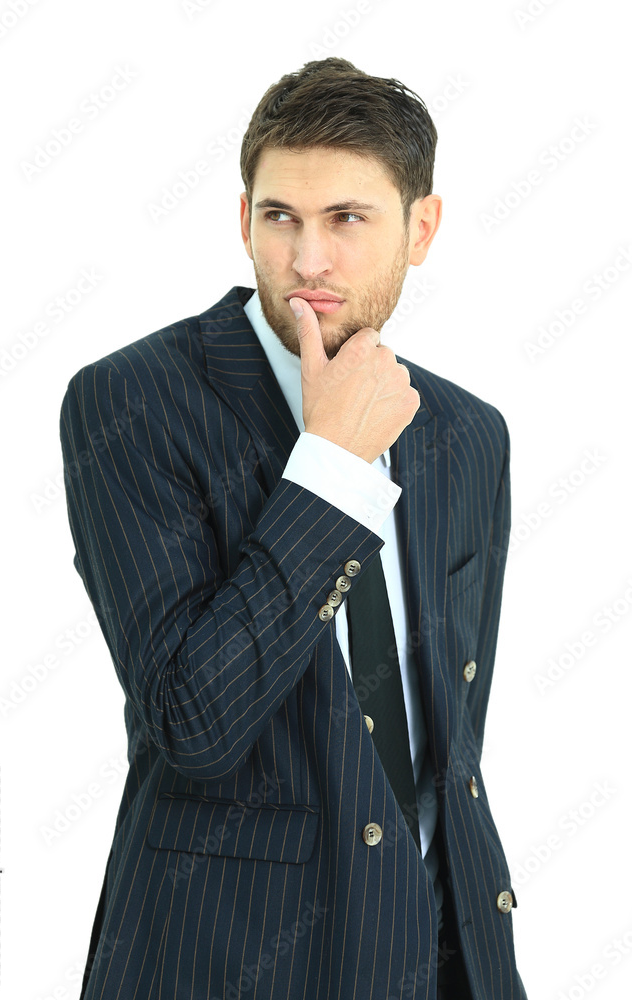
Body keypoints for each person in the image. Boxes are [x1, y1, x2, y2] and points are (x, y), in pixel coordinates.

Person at [60, 57, 527, 1000]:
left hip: (447, 948)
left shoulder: (468, 434)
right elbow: (193, 723)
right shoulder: (128, 403)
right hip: (226, 956)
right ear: (244, 221)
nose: (307, 259)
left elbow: (450, 738)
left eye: (347, 219)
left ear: (421, 228)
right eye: (280, 218)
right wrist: (330, 469)